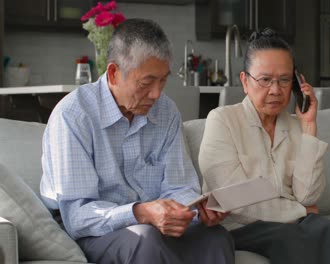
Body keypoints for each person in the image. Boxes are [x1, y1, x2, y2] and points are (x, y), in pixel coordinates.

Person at [40, 19, 234, 264]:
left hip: (151, 226)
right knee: (146, 239)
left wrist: (195, 210)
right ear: (113, 73)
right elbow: (77, 216)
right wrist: (140, 213)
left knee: (215, 237)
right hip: (91, 231)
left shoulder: (166, 112)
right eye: (146, 83)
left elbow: (179, 186)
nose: (156, 94)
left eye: (163, 80)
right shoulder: (73, 115)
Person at [198, 28, 330, 264]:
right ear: (245, 81)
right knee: (318, 232)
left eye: (284, 80)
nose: (276, 90)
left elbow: (307, 195)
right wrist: (299, 211)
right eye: (265, 80)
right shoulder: (222, 120)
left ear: (296, 83)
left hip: (294, 227)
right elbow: (233, 202)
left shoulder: (296, 127)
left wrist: (309, 128)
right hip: (238, 227)